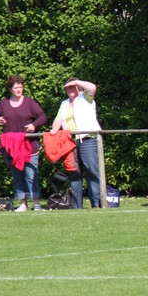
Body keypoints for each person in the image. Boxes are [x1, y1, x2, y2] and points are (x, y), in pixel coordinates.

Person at [0, 75, 48, 212]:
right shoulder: (4, 103)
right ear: (10, 89)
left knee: (31, 175)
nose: (19, 90)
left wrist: (34, 125)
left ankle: (36, 203)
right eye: (16, 87)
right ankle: (23, 204)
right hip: (11, 147)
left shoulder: (30, 103)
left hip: (29, 146)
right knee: (17, 176)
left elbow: (42, 117)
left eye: (20, 87)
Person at [50, 78, 102, 208]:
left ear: (78, 87)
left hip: (87, 139)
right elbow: (58, 120)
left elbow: (92, 87)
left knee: (92, 170)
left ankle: (96, 203)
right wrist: (53, 131)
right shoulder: (64, 104)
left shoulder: (85, 97)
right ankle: (77, 205)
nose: (70, 90)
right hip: (70, 141)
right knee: (74, 173)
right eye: (67, 88)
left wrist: (77, 82)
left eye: (72, 87)